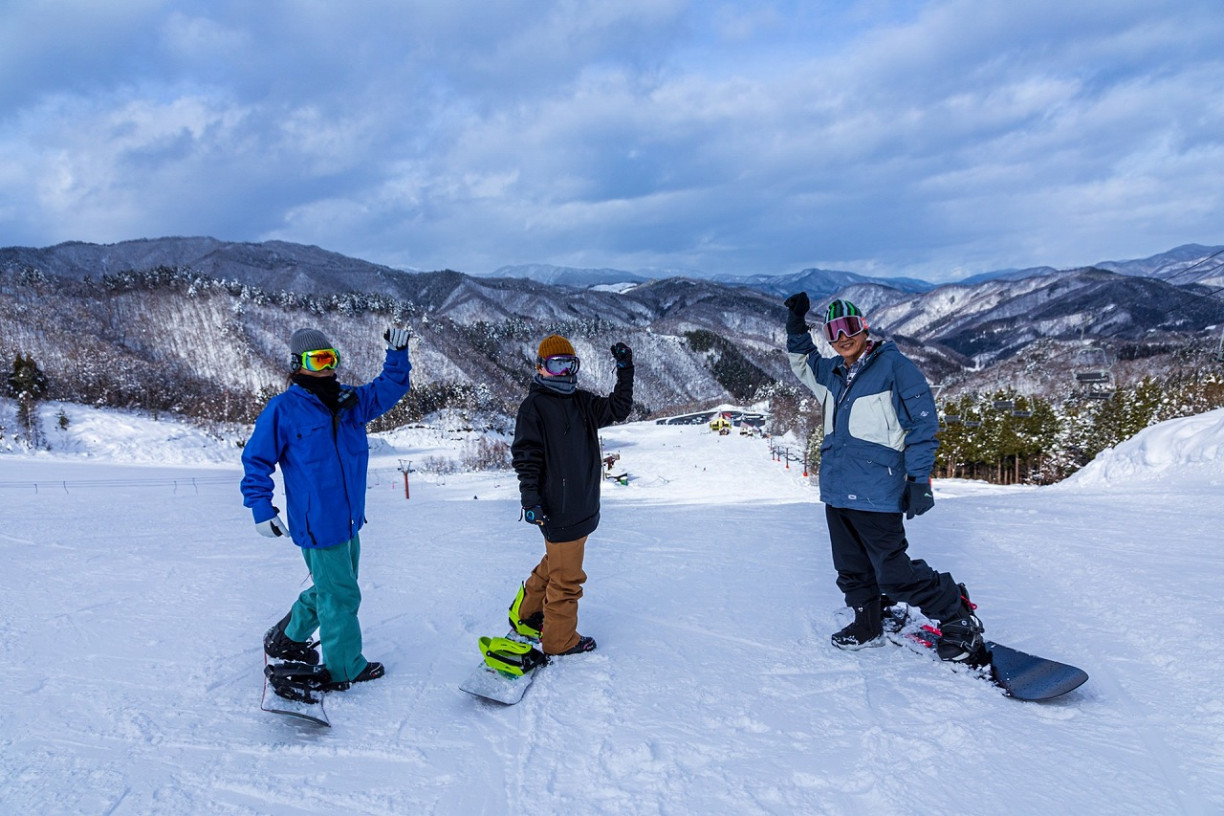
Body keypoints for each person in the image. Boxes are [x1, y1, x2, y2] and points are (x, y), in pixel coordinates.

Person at [783, 294, 987, 664]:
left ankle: (955, 612)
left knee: (893, 573)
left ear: (864, 327)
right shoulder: (831, 374)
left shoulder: (894, 367)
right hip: (837, 490)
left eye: (849, 327)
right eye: (833, 332)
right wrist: (796, 325)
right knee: (851, 567)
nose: (843, 338)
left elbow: (923, 426)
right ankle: (867, 621)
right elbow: (802, 361)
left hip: (877, 490)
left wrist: (918, 479)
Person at [242, 325, 412, 690]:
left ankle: (288, 635)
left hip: (349, 520)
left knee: (332, 588)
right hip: (317, 522)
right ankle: (344, 668)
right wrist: (261, 507)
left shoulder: (349, 402)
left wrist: (397, 357)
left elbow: (390, 388)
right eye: (318, 360)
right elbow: (256, 460)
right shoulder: (283, 410)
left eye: (331, 358)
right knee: (341, 594)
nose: (328, 367)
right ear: (298, 364)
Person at [507, 334, 634, 656]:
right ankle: (559, 640)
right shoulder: (534, 407)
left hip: (583, 505)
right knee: (567, 579)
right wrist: (530, 499)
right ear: (541, 367)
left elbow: (618, 409)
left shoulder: (581, 402)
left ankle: (526, 612)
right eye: (557, 365)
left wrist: (625, 370)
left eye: (570, 365)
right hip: (558, 509)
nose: (564, 373)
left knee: (556, 562)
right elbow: (527, 457)